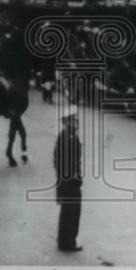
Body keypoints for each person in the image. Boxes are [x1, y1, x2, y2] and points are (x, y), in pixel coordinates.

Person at [54, 104, 83, 252]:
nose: (75, 122)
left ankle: (65, 241)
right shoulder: (69, 138)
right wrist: (73, 176)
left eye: (75, 119)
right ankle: (68, 243)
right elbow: (66, 161)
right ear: (66, 122)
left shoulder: (65, 136)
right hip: (70, 182)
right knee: (71, 212)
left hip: (67, 181)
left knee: (68, 211)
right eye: (72, 119)